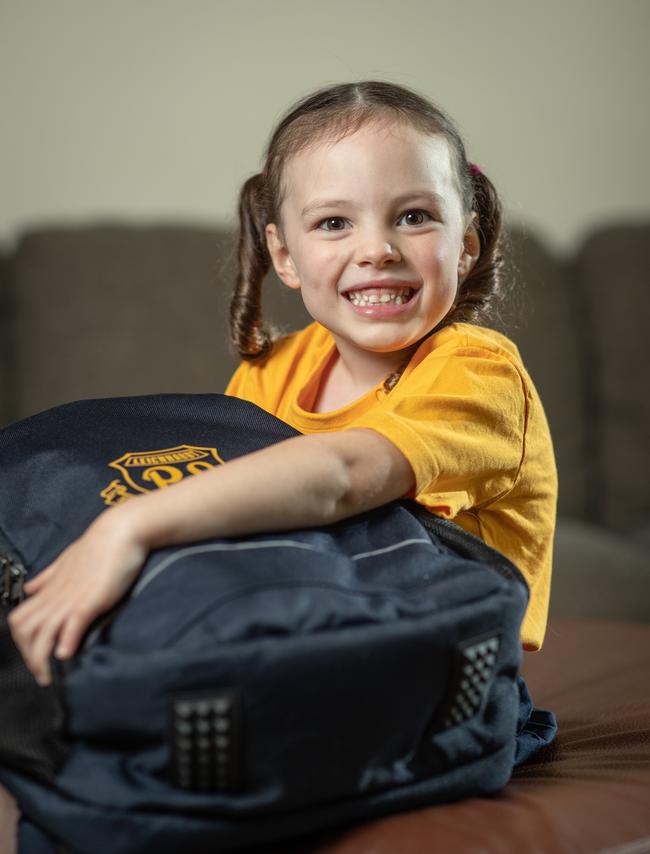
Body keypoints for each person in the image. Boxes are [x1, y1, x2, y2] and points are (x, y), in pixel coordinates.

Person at [8, 80, 557, 691]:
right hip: (301, 640)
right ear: (285, 255)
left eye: (414, 216)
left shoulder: (478, 373)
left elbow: (342, 477)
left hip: (440, 679)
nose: (377, 248)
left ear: (467, 246)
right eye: (333, 223)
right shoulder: (271, 371)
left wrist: (127, 527)